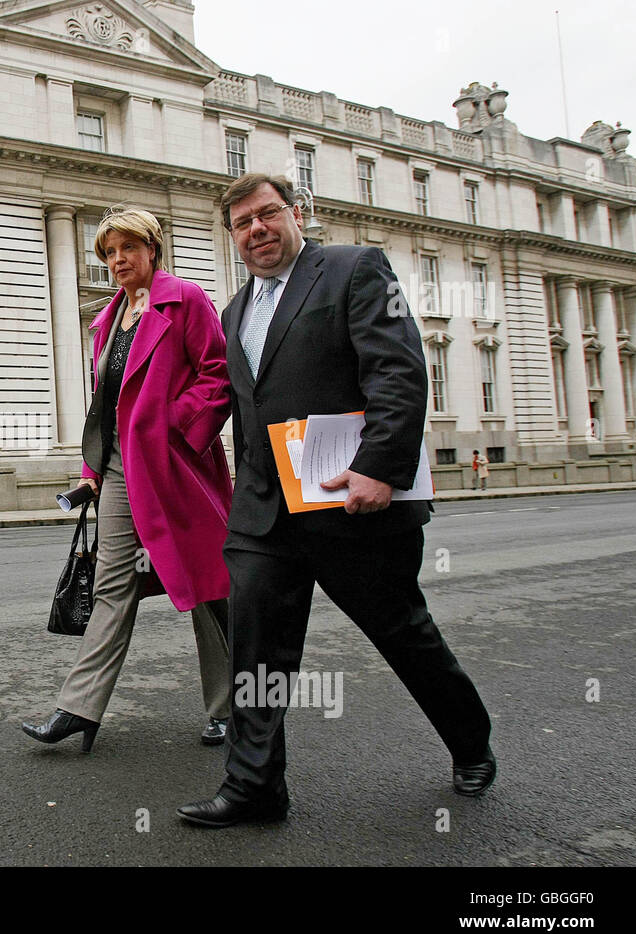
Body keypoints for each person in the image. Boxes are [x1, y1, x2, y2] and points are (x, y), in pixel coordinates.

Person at [176, 173, 495, 828]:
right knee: (255, 652)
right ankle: (254, 786)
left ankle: (470, 742)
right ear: (232, 236)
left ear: (297, 214)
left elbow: (398, 368)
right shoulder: (233, 313)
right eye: (242, 223)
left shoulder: (353, 269)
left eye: (267, 214)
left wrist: (379, 465)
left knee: (401, 632)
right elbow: (241, 408)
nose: (257, 229)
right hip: (265, 514)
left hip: (353, 503)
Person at [23, 207, 235, 752]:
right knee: (113, 585)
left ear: (152, 249)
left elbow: (217, 374)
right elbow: (105, 404)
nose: (119, 260)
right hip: (120, 468)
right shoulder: (107, 320)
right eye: (110, 252)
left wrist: (174, 429)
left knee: (208, 586)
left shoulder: (186, 299)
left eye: (128, 249)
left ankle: (230, 707)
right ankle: (79, 710)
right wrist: (93, 470)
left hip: (176, 465)